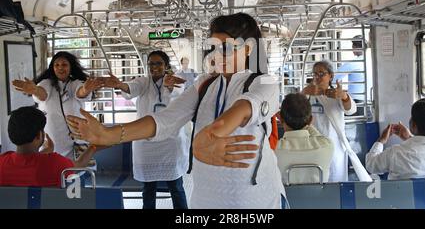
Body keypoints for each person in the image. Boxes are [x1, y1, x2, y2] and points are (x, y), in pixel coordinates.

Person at [67, 13, 286, 209]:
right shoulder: (205, 85)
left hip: (255, 198)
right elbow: (166, 119)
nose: (218, 55)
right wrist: (109, 134)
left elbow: (244, 108)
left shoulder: (264, 83)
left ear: (247, 48)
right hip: (206, 197)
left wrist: (208, 136)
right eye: (214, 48)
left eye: (227, 48)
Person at [103, 51, 188, 209]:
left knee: (176, 187)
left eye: (159, 63)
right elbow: (132, 88)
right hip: (146, 144)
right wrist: (120, 84)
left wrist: (169, 86)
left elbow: (178, 93)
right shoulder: (143, 82)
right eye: (151, 64)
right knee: (148, 189)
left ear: (166, 66)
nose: (154, 67)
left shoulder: (175, 81)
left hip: (170, 142)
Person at [12, 51, 104, 158]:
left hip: (78, 140)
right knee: (54, 170)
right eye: (57, 65)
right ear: (52, 67)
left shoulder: (75, 83)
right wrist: (35, 90)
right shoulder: (46, 83)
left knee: (77, 170)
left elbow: (80, 92)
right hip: (53, 141)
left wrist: (86, 89)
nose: (60, 68)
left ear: (71, 67)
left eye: (64, 64)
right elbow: (42, 94)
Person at [301, 61, 371, 182]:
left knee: (336, 181)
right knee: (316, 180)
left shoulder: (337, 94)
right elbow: (296, 111)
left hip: (335, 147)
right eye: (315, 74)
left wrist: (344, 96)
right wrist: (304, 93)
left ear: (331, 76)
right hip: (313, 146)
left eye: (321, 74)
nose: (317, 77)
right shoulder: (308, 93)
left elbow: (350, 110)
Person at [0, 106, 100, 187]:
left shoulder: (2, 162)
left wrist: (46, 151)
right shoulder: (55, 163)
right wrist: (93, 146)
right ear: (39, 135)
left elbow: (25, 164)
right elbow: (80, 164)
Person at [366, 98, 425, 180]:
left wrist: (381, 140)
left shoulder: (396, 153)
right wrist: (409, 138)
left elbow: (371, 165)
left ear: (413, 126)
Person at [276, 93, 334, 184]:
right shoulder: (327, 145)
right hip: (319, 198)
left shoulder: (274, 150)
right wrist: (306, 121)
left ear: (280, 118)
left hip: (286, 198)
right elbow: (317, 136)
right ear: (311, 120)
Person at [333, 35, 371, 117]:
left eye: (353, 46)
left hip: (356, 102)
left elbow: (333, 78)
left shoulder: (354, 63)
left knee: (352, 127)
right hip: (370, 101)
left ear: (355, 47)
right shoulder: (371, 60)